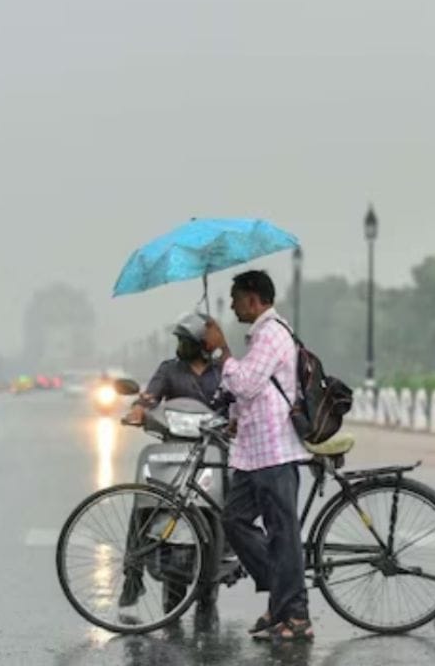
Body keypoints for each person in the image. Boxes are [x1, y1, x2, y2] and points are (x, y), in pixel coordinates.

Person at [203, 270, 313, 642]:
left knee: (284, 535)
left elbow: (247, 383)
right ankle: (282, 595)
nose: (232, 304)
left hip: (275, 450)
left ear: (253, 299)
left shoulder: (271, 333)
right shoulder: (259, 336)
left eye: (235, 297)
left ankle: (296, 616)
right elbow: (253, 389)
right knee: (234, 520)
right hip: (253, 452)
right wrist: (233, 417)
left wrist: (221, 351)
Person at [119, 312, 224, 608]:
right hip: (172, 453)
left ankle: (213, 574)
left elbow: (236, 404)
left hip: (211, 454)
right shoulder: (169, 370)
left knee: (217, 513)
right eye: (179, 340)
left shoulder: (222, 373)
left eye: (186, 341)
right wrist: (139, 409)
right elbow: (149, 397)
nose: (180, 346)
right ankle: (133, 574)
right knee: (144, 505)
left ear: (203, 344)